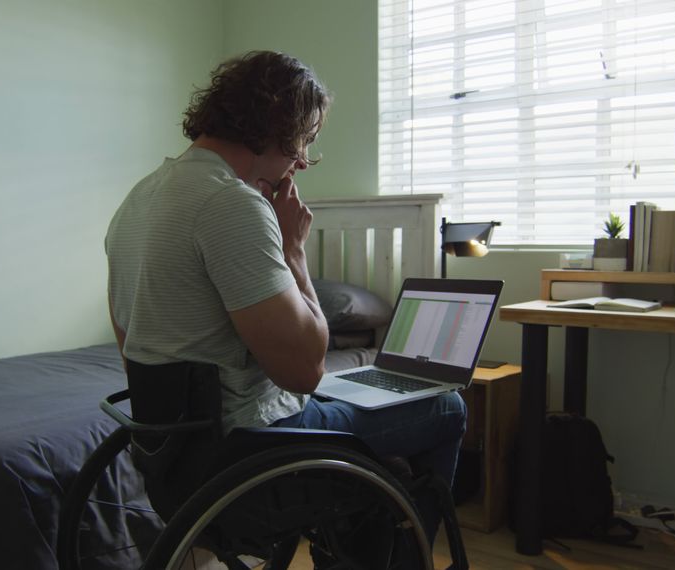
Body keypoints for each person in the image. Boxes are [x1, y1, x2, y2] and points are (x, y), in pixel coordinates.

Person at [104, 50, 465, 539]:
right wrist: (294, 252)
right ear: (276, 125)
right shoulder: (231, 203)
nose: (300, 161)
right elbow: (304, 372)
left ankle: (360, 537)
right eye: (304, 141)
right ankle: (393, 550)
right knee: (447, 407)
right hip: (249, 450)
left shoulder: (140, 198)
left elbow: (132, 347)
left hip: (172, 459)